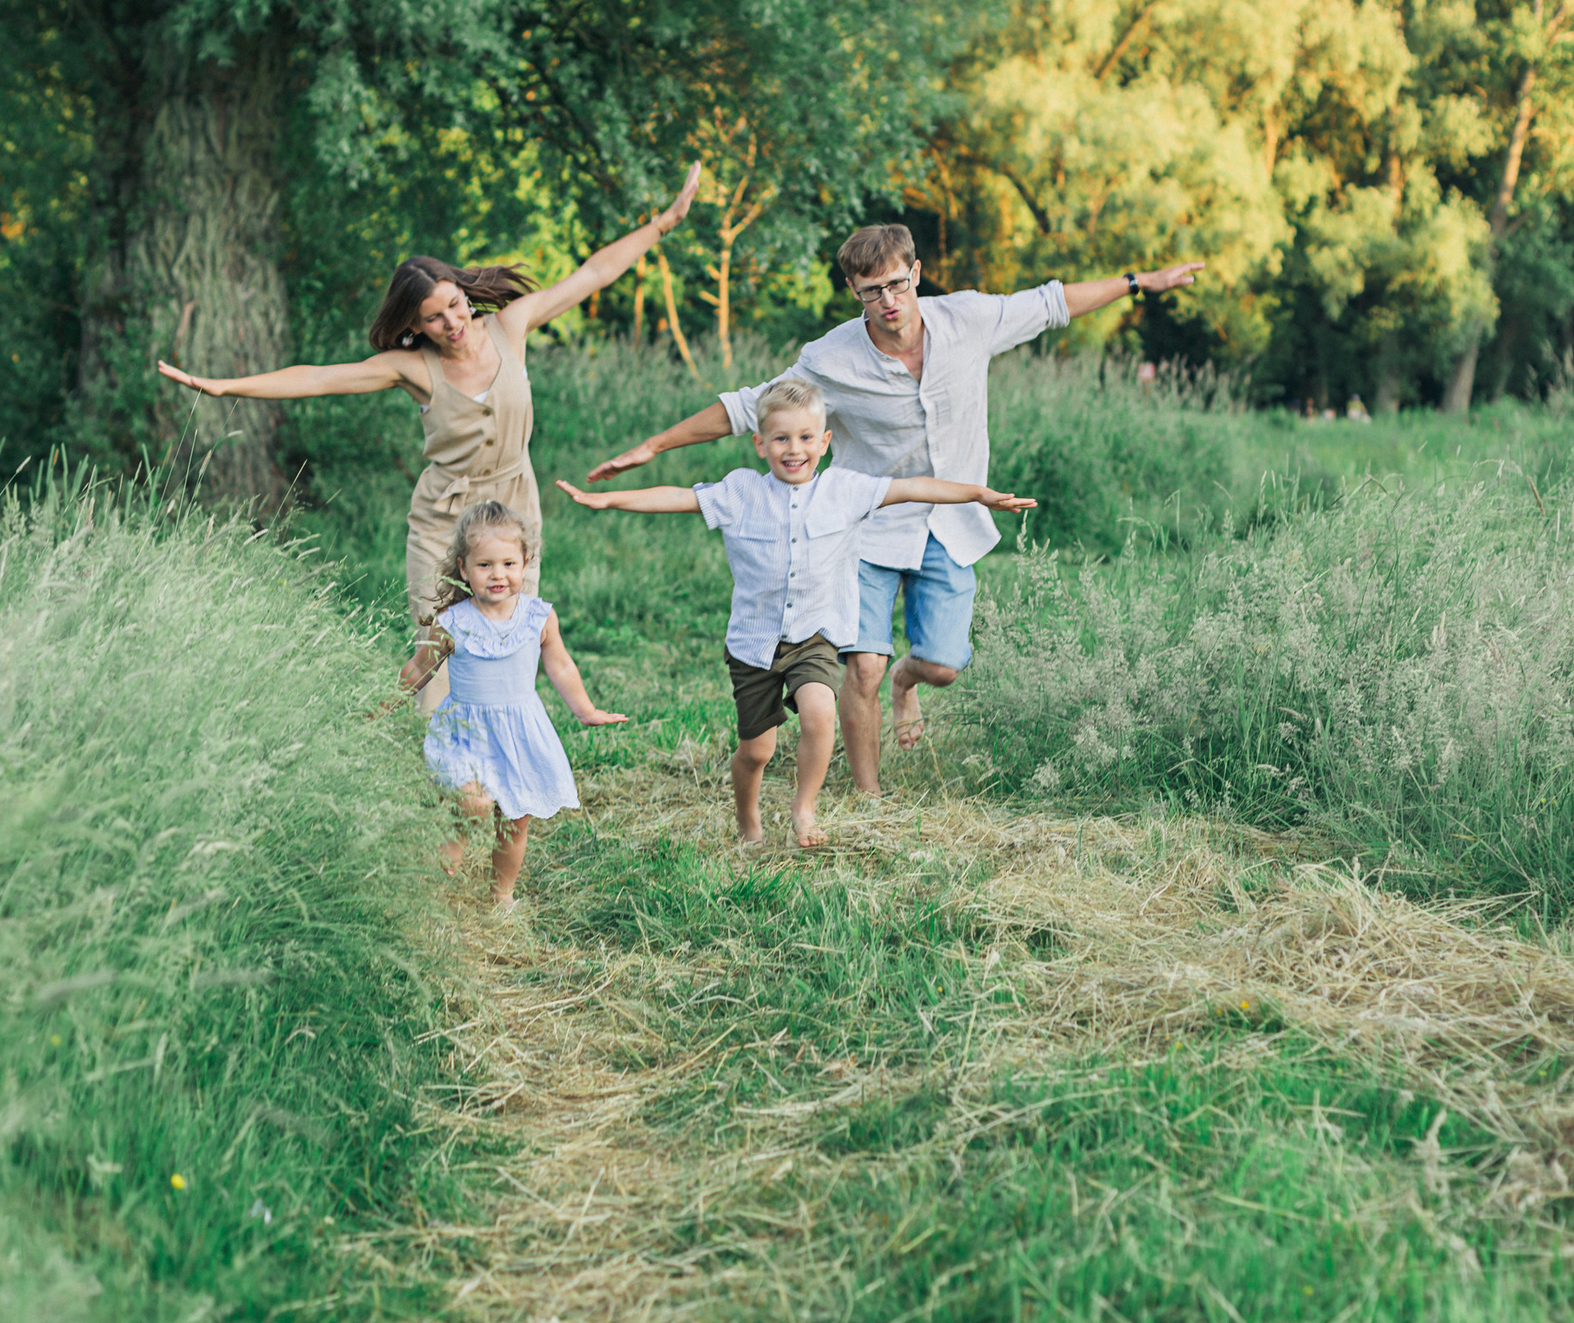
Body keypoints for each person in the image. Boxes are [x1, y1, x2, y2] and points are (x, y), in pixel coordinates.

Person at [585, 223, 1199, 791]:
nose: (887, 300)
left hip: (949, 520)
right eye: (870, 290)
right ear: (854, 292)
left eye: (897, 284)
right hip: (865, 525)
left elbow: (1053, 303)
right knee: (863, 668)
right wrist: (653, 445)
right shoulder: (830, 358)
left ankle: (910, 680)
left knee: (943, 666)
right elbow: (749, 408)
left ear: (917, 274)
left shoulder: (968, 319)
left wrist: (1139, 283)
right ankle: (868, 794)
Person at [159, 161, 701, 714]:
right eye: (435, 317)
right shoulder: (412, 367)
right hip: (444, 517)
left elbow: (593, 274)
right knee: (438, 646)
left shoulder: (509, 327)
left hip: (514, 510)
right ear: (416, 326)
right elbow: (317, 379)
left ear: (465, 294)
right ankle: (449, 768)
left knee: (511, 640)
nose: (453, 322)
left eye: (455, 304)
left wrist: (664, 222)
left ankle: (502, 759)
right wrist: (222, 386)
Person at [557, 377, 1034, 847]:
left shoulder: (843, 491)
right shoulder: (741, 492)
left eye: (806, 437)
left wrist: (977, 494)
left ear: (825, 442)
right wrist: (607, 500)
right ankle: (748, 818)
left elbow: (911, 486)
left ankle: (804, 810)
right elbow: (678, 497)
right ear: (759, 443)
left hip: (815, 636)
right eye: (781, 438)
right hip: (754, 644)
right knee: (756, 751)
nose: (794, 448)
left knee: (819, 713)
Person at [420, 502, 628, 908]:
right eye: (485, 565)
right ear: (463, 569)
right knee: (475, 802)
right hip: (466, 731)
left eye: (508, 563)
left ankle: (502, 897)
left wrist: (585, 710)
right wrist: (386, 703)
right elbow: (418, 669)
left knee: (514, 822)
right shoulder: (452, 621)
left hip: (519, 731)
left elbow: (562, 667)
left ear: (526, 562)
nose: (498, 574)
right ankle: (452, 842)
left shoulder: (538, 617)